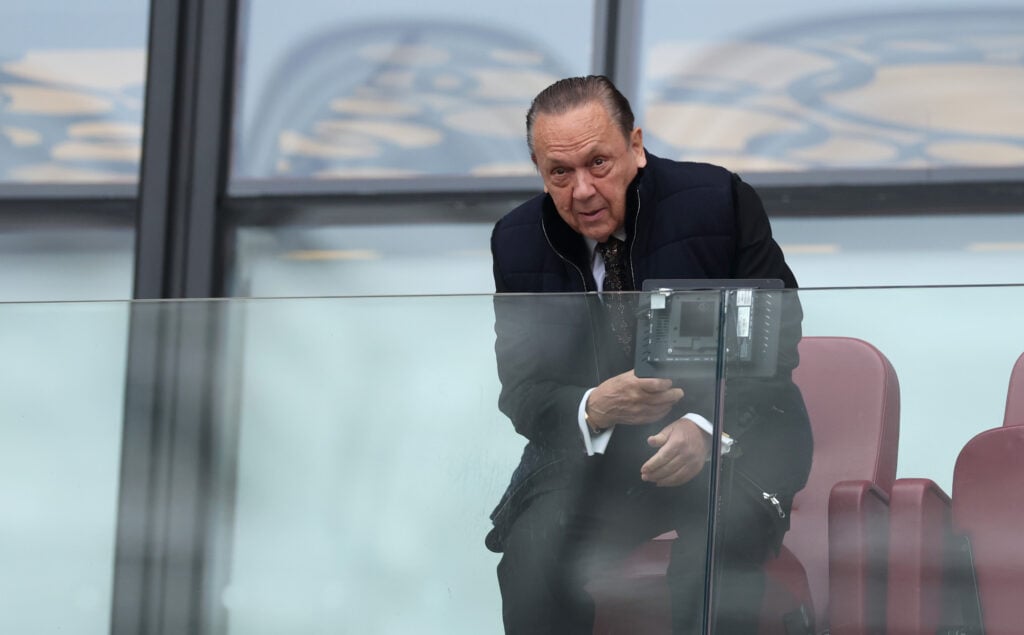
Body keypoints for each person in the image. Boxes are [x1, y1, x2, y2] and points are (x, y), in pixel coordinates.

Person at [485, 75, 814, 634]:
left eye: (599, 163)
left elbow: (777, 338)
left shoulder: (718, 202)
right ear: (540, 170)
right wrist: (594, 406)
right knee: (533, 555)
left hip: (737, 435)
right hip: (601, 460)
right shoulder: (517, 241)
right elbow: (523, 393)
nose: (582, 190)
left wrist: (705, 425)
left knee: (715, 543)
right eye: (560, 173)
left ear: (635, 146)